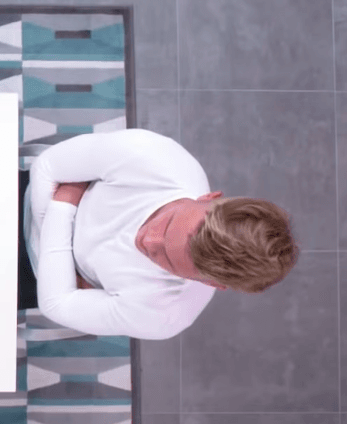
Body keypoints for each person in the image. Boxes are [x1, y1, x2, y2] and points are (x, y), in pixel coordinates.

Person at [23, 129, 298, 340]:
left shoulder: (165, 315)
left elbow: (56, 306)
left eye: (164, 257)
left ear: (209, 283)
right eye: (167, 224)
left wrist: (67, 197)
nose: (146, 240)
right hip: (30, 199)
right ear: (208, 198)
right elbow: (46, 167)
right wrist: (67, 273)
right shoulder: (152, 156)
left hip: (29, 276)